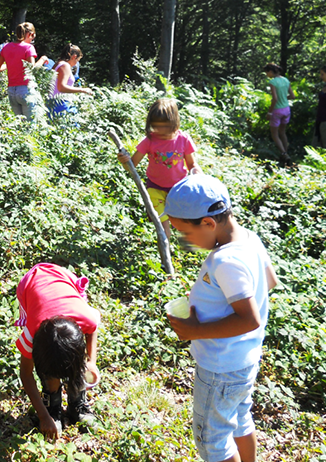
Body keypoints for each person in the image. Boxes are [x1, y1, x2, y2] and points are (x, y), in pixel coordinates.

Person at [164, 175, 278, 462]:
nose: (185, 241)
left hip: (221, 366)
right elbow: (269, 281)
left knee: (212, 441)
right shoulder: (249, 239)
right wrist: (213, 300)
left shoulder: (225, 260)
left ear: (208, 223)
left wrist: (195, 331)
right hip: (244, 359)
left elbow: (249, 320)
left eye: (185, 233)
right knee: (240, 419)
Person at [15, 263, 101, 440]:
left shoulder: (85, 317)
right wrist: (44, 416)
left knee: (75, 363)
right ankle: (52, 405)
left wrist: (90, 362)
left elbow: (93, 329)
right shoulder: (32, 334)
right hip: (30, 284)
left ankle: (77, 404)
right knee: (52, 367)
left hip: (63, 277)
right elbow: (26, 374)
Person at [117, 98, 200, 239]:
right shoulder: (150, 140)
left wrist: (198, 175)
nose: (160, 130)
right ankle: (166, 248)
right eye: (156, 126)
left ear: (174, 122)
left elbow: (192, 164)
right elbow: (132, 165)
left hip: (179, 189)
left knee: (184, 223)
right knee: (163, 227)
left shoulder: (183, 139)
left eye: (165, 126)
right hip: (155, 188)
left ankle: (189, 245)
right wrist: (124, 161)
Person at [0, 22, 40, 119]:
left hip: (12, 91)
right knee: (31, 124)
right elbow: (32, 69)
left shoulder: (6, 47)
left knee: (19, 123)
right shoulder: (29, 48)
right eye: (33, 37)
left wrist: (11, 64)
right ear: (30, 34)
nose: (32, 39)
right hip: (26, 89)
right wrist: (43, 60)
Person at [47, 44, 93, 119]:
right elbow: (61, 87)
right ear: (74, 56)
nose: (76, 64)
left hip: (53, 103)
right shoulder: (65, 66)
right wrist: (82, 90)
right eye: (77, 60)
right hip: (61, 103)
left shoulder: (57, 64)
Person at [263, 63, 295, 166]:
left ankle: (284, 154)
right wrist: (284, 98)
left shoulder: (273, 82)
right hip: (286, 109)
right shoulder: (286, 80)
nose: (266, 74)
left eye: (267, 72)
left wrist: (269, 112)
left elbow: (275, 99)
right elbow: (293, 96)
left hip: (277, 111)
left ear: (271, 71)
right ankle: (285, 154)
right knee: (282, 132)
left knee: (275, 134)